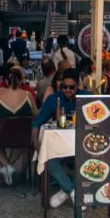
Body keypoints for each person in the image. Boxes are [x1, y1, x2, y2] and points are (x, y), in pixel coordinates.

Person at [33, 70, 85, 207]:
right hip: (59, 147)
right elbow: (37, 123)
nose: (67, 90)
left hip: (83, 146)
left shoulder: (87, 97)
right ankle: (73, 191)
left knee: (91, 162)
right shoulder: (54, 99)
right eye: (64, 87)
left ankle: (65, 190)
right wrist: (37, 146)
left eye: (72, 87)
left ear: (78, 86)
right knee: (49, 161)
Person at [0, 66, 37, 185]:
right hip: (25, 138)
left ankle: (7, 168)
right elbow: (36, 115)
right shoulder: (28, 95)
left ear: (6, 81)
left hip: (3, 137)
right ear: (22, 80)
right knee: (25, 143)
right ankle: (11, 169)